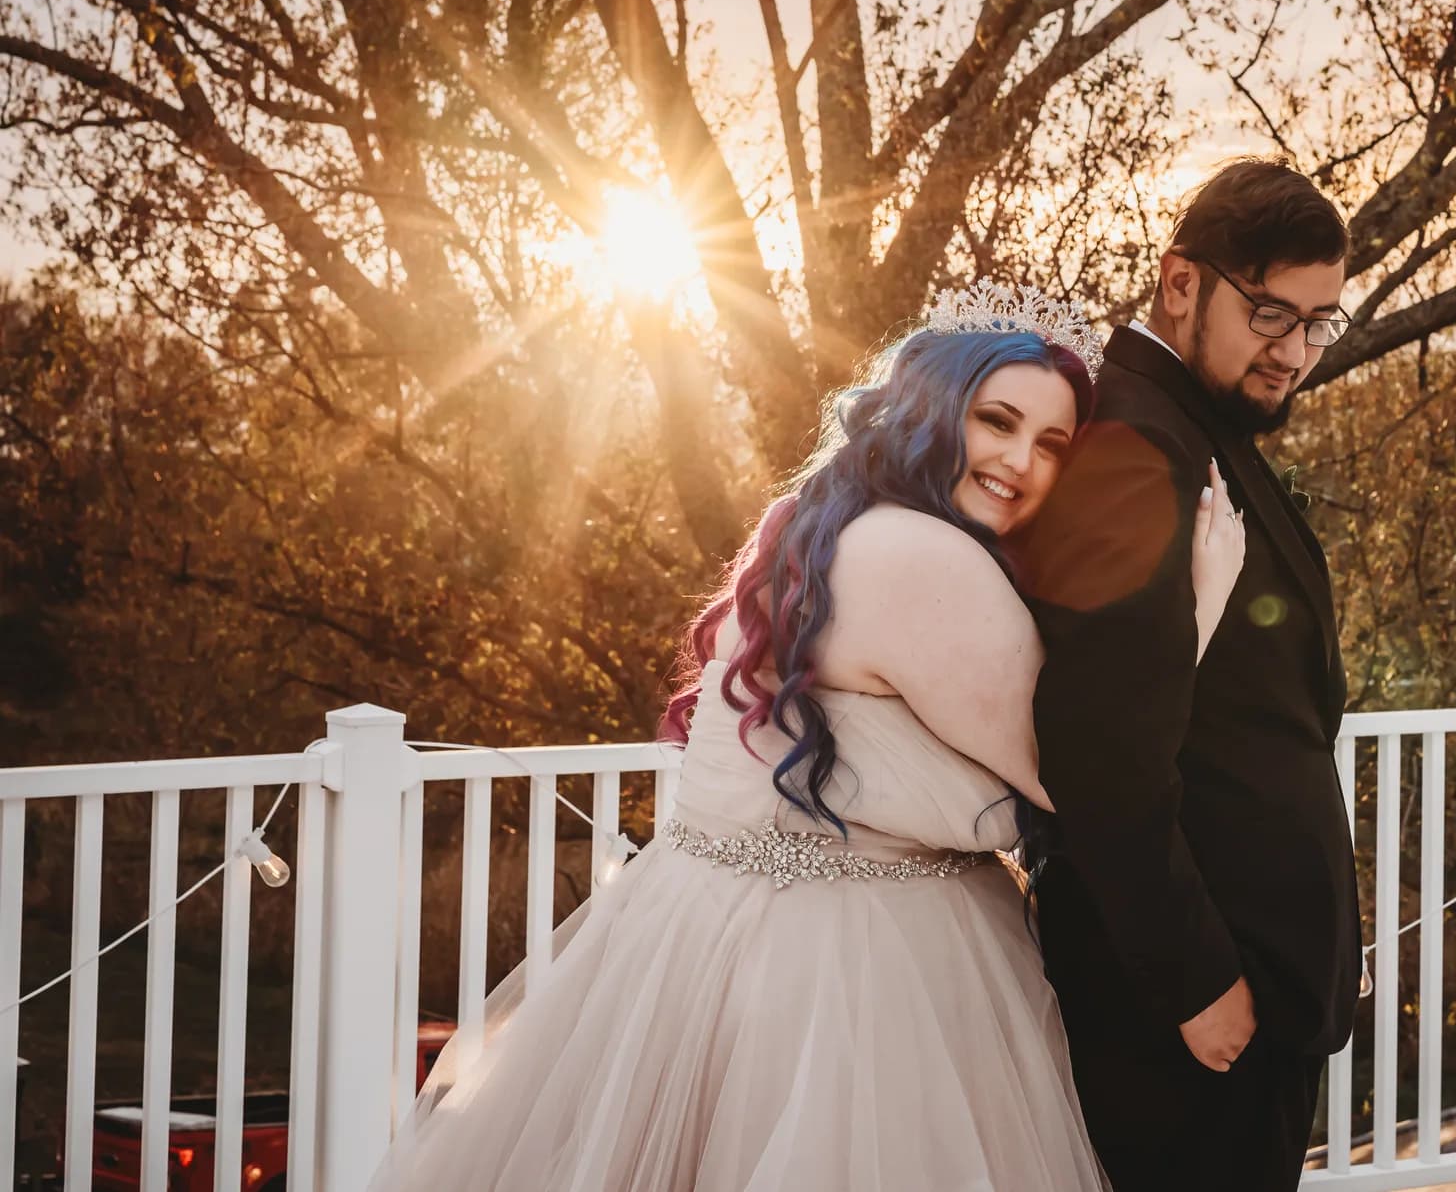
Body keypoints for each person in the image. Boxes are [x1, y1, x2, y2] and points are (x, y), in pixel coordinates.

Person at [366, 281, 1247, 1192]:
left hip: (701, 930)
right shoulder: (922, 556)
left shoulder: (814, 526)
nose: (1021, 461)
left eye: (1052, 444)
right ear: (932, 412)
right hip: (857, 970)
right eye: (997, 421)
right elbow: (1088, 770)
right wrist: (1198, 608)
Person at [1020, 159, 1365, 1191]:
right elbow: (1101, 753)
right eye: (1269, 313)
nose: (1294, 350)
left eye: (1318, 322)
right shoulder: (1134, 443)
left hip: (1249, 981)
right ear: (1180, 285)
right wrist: (1195, 979)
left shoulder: (1194, 425)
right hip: (1186, 1007)